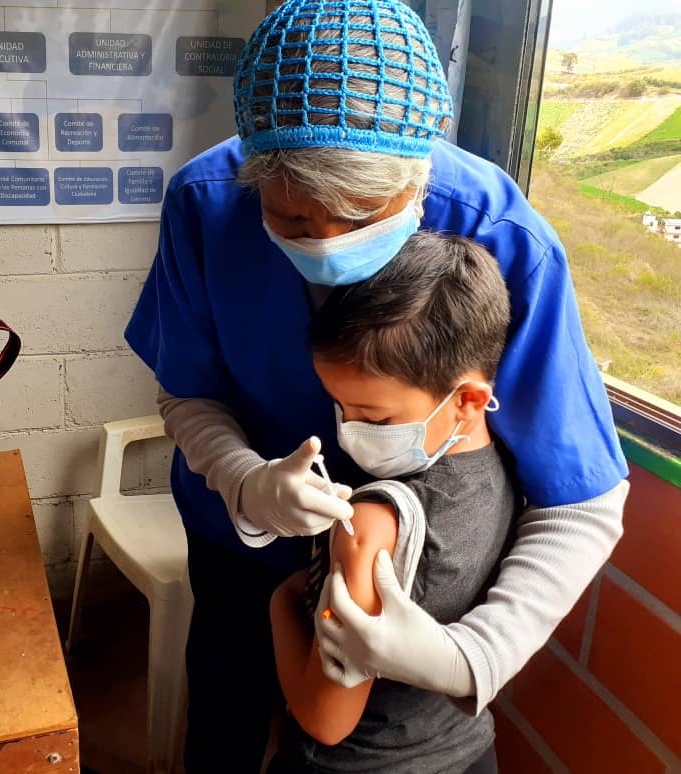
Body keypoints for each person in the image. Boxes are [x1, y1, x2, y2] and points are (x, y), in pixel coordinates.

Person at [124, 1, 630, 771]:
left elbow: (583, 500)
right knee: (224, 713)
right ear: (251, 174)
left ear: (418, 177)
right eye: (292, 220)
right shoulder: (206, 205)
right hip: (237, 541)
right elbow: (188, 393)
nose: (325, 247)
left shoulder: (497, 236)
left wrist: (472, 656)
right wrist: (245, 482)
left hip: (403, 584)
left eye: (359, 218)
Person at [269, 231, 516, 774]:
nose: (350, 433)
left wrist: (282, 603)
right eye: (339, 407)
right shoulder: (510, 472)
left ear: (469, 399)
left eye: (376, 419)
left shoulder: (372, 524)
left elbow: (325, 718)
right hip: (469, 752)